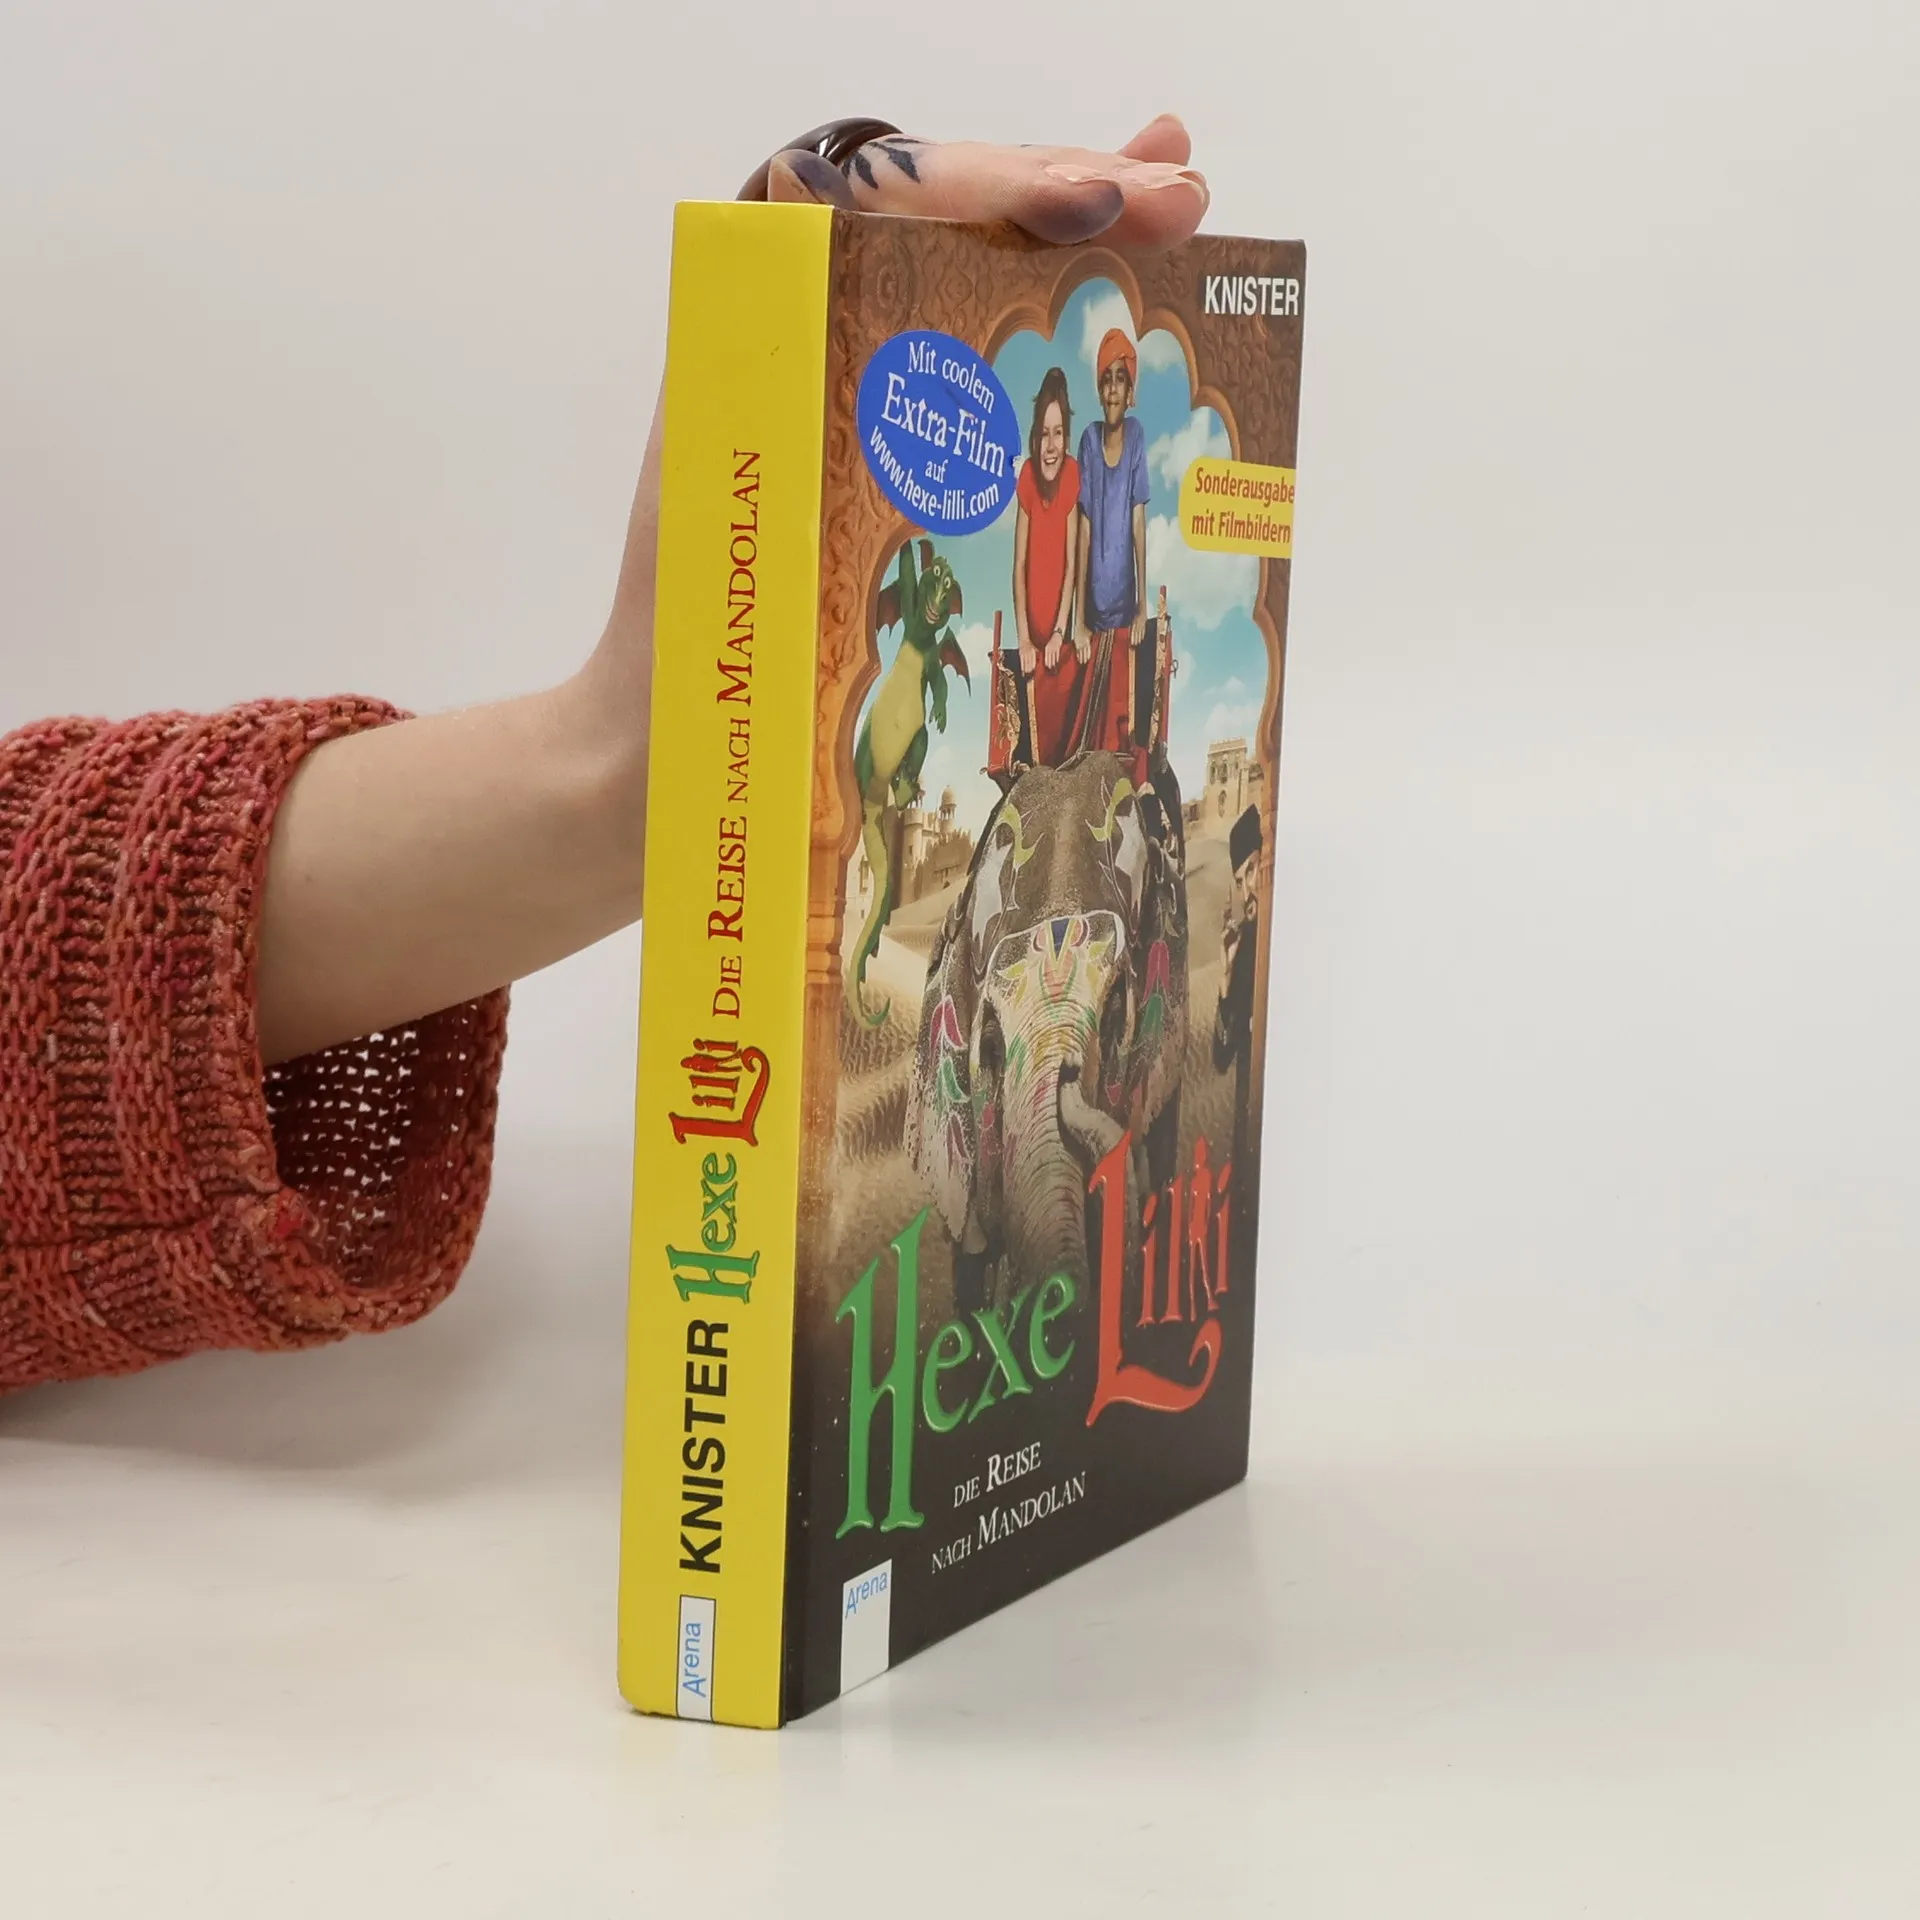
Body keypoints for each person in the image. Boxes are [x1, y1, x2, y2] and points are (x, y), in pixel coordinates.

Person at [0, 119, 1208, 1397]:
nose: (1083, 424)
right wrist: (651, 776)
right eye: (1072, 413)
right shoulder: (1039, 495)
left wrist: (658, 769)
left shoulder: (1116, 471)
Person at [1073, 327, 1152, 753]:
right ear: (1100, 390)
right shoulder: (1088, 440)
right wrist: (1078, 619)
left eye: (1121, 379)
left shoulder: (1136, 435)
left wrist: (1141, 607)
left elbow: (1138, 522)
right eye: (1107, 380)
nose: (1113, 389)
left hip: (1125, 608)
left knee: (1124, 719)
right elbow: (1083, 527)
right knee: (1087, 718)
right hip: (1093, 605)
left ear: (1130, 389)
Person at [1010, 367, 1084, 764]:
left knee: (1057, 735)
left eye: (1058, 433)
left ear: (1066, 437)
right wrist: (1024, 639)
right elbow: (1019, 565)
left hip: (1058, 634)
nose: (1050, 445)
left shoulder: (1072, 473)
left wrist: (1058, 633)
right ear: (1034, 437)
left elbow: (1072, 566)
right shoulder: (1026, 476)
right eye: (1043, 434)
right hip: (1030, 629)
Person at [1213, 802, 1263, 1203]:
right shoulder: (1246, 943)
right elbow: (1222, 1056)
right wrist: (1226, 978)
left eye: (1252, 869)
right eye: (1239, 878)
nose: (1247, 888)